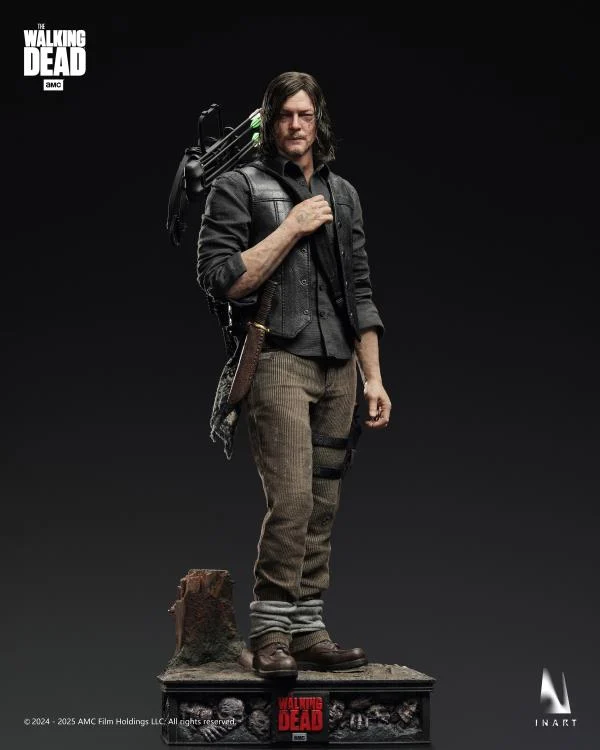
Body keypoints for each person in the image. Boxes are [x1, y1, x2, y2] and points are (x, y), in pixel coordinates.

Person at [196, 72, 391, 678]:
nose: (296, 125)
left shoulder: (344, 194)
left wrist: (374, 377)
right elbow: (221, 278)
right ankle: (271, 632)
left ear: (318, 120)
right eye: (285, 115)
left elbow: (360, 289)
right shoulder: (238, 187)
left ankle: (307, 629)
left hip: (339, 368)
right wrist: (291, 226)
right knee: (293, 500)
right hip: (277, 360)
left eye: (306, 115)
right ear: (269, 120)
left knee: (324, 503)